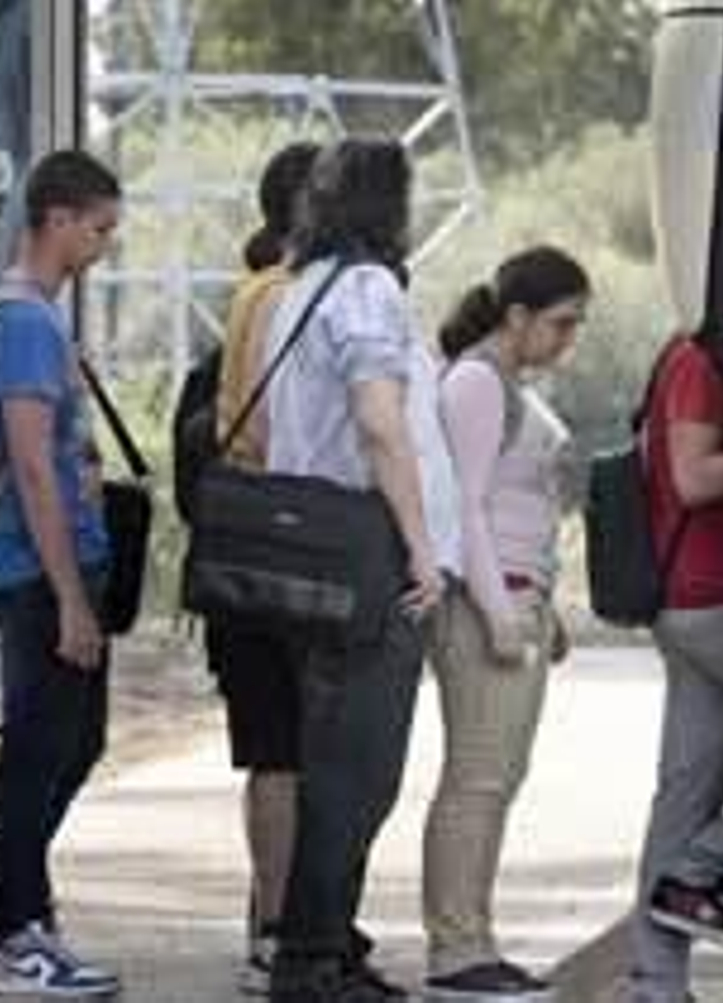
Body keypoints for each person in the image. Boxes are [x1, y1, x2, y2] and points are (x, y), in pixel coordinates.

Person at [262, 137, 451, 1003]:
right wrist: (418, 543)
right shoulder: (369, 290)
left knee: (337, 756)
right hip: (366, 549)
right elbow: (380, 423)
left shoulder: (299, 288)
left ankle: (329, 943)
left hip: (310, 549)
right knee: (358, 768)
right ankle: (310, 957)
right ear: (390, 205)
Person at [0, 149, 124, 998]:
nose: (105, 246)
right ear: (57, 219)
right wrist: (67, 597)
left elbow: (51, 451)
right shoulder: (22, 322)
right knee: (39, 746)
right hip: (34, 566)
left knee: (74, 740)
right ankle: (17, 928)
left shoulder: (34, 316)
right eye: (99, 228)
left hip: (46, 559)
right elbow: (28, 464)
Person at [419, 247, 591, 1003]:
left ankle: (473, 939)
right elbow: (468, 510)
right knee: (477, 780)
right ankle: (456, 949)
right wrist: (496, 611)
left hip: (517, 596)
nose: (568, 339)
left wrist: (538, 606)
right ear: (516, 316)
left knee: (496, 780)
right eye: (560, 323)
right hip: (484, 604)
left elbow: (514, 515)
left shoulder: (504, 381)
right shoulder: (476, 382)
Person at [627, 199, 723, 1003]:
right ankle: (702, 867)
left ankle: (655, 981)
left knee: (683, 790)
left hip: (695, 602)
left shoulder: (714, 351)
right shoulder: (702, 356)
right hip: (711, 597)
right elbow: (691, 477)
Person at [203, 140, 321, 995]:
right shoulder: (304, 297)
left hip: (239, 542)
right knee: (301, 753)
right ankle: (294, 931)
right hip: (301, 540)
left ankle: (268, 927)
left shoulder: (247, 293)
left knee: (270, 752)